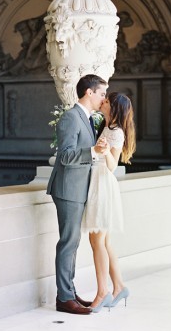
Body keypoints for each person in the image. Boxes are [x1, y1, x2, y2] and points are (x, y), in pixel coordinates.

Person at [47, 74, 108, 315]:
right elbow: (64, 156)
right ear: (89, 92)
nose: (104, 98)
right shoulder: (71, 118)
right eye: (102, 93)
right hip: (68, 189)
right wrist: (92, 150)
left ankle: (69, 293)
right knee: (68, 243)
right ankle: (64, 298)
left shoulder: (86, 118)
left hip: (78, 189)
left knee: (72, 243)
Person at [82, 92, 136, 312]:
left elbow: (113, 165)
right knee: (102, 242)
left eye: (107, 101)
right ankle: (119, 286)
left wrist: (104, 152)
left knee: (97, 241)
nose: (102, 102)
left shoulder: (116, 132)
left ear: (114, 108)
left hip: (103, 185)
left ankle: (102, 291)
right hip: (99, 183)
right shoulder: (108, 127)